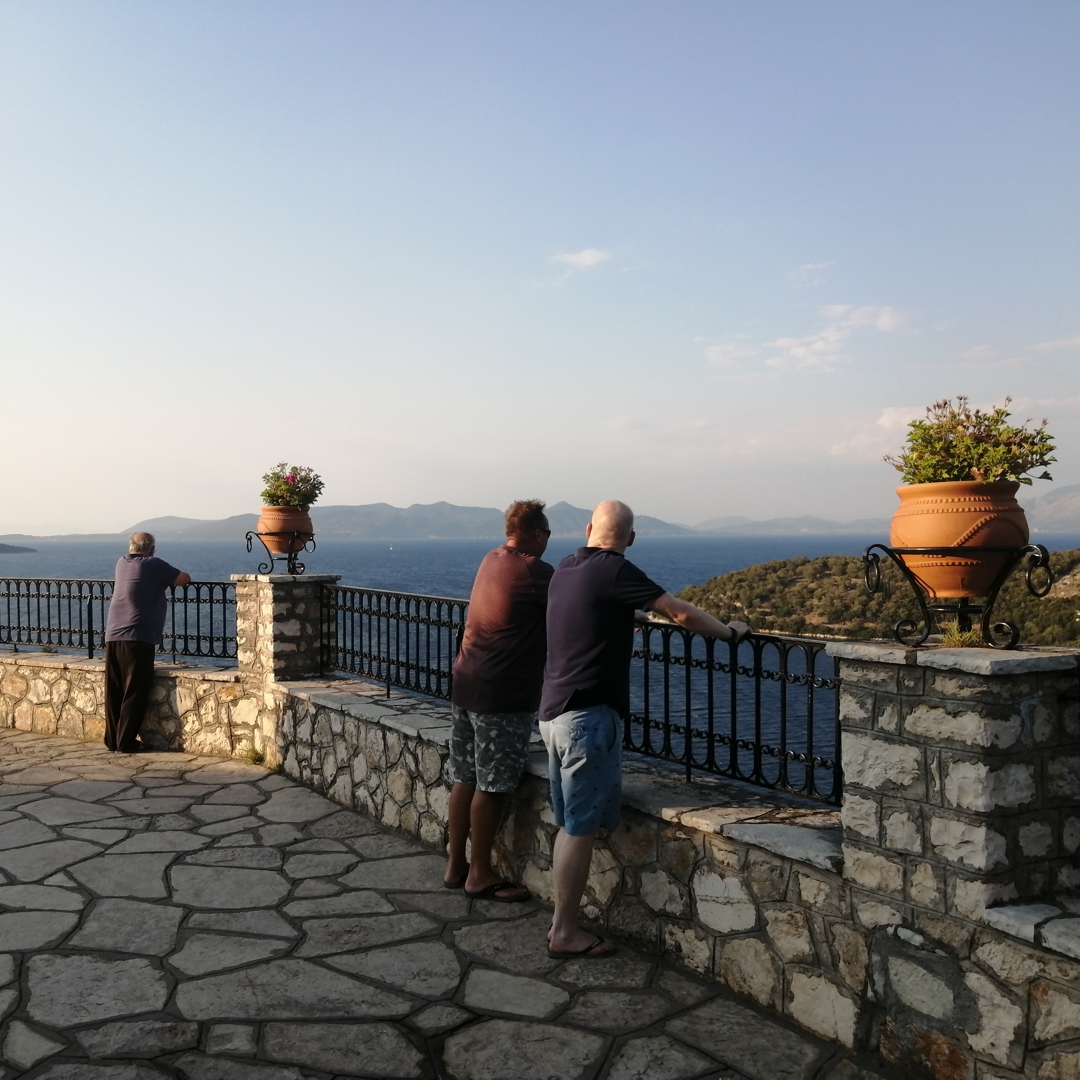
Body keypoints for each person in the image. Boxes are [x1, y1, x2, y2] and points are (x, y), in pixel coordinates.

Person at [540, 500, 751, 957]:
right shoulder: (617, 570)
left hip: (552, 713)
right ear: (630, 539)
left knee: (568, 823)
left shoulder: (566, 566)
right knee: (578, 829)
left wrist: (625, 616)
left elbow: (584, 613)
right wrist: (731, 633)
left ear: (589, 527)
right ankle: (564, 933)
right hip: (586, 718)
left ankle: (561, 924)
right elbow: (681, 614)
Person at [444, 499, 555, 901]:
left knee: (464, 777)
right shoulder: (534, 570)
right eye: (548, 534)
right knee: (491, 785)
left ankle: (455, 866)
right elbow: (575, 604)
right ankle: (480, 874)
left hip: (466, 682)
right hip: (502, 693)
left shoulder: (491, 560)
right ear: (539, 534)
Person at [103, 532, 190, 753]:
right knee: (135, 690)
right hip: (137, 635)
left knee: (114, 690)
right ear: (152, 548)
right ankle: (126, 742)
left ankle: (112, 739)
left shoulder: (122, 563)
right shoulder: (152, 564)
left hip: (114, 633)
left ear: (131, 546)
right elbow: (183, 579)